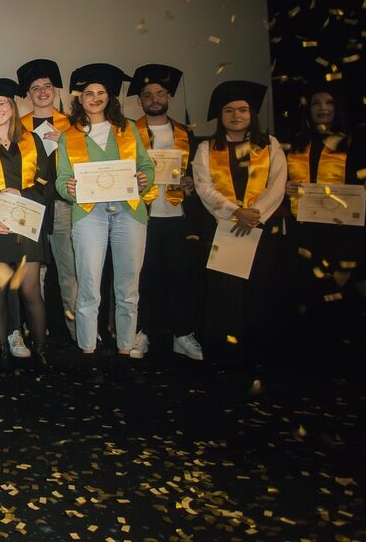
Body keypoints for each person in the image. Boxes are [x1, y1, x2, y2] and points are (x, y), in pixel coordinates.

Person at [55, 64, 154, 381]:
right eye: (89, 93)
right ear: (80, 99)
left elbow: (147, 167)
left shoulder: (128, 129)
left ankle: (125, 352)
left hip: (129, 212)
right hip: (89, 214)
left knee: (128, 288)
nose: (95, 98)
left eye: (100, 93)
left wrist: (144, 179)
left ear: (109, 97)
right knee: (88, 287)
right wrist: (68, 188)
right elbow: (61, 179)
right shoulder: (68, 136)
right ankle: (87, 353)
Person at [193, 81, 288, 370]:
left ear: (252, 114)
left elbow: (277, 184)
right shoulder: (207, 148)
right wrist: (236, 212)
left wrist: (255, 215)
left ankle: (259, 354)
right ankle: (224, 356)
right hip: (224, 228)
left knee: (259, 289)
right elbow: (204, 187)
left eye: (243, 110)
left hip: (261, 229)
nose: (237, 116)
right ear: (220, 116)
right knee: (225, 292)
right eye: (229, 110)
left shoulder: (270, 144)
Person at [0, 78, 55, 368]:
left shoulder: (32, 140)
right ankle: (1, 350)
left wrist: (22, 193)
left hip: (27, 224)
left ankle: (41, 349)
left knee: (30, 289)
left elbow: (46, 181)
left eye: (2, 104)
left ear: (12, 106)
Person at [128, 65, 204, 361]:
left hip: (177, 214)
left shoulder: (186, 134)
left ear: (169, 96)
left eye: (160, 93)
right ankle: (141, 332)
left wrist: (191, 183)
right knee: (142, 277)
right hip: (141, 215)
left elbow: (200, 173)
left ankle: (182, 334)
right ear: (140, 101)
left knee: (181, 277)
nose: (154, 99)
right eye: (148, 95)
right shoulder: (128, 132)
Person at [285, 83, 363, 337]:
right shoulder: (297, 143)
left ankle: (342, 340)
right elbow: (285, 180)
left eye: (329, 103)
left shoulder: (353, 142)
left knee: (339, 287)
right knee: (308, 286)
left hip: (342, 231)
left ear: (337, 108)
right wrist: (287, 187)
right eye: (316, 103)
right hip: (305, 229)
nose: (323, 108)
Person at [17, 59, 78, 344]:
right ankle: (36, 330)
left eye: (47, 86)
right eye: (35, 88)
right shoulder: (19, 126)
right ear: (28, 94)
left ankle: (79, 333)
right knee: (33, 275)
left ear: (55, 90)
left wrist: (67, 142)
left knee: (69, 272)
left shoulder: (73, 125)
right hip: (32, 206)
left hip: (64, 205)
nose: (42, 92)